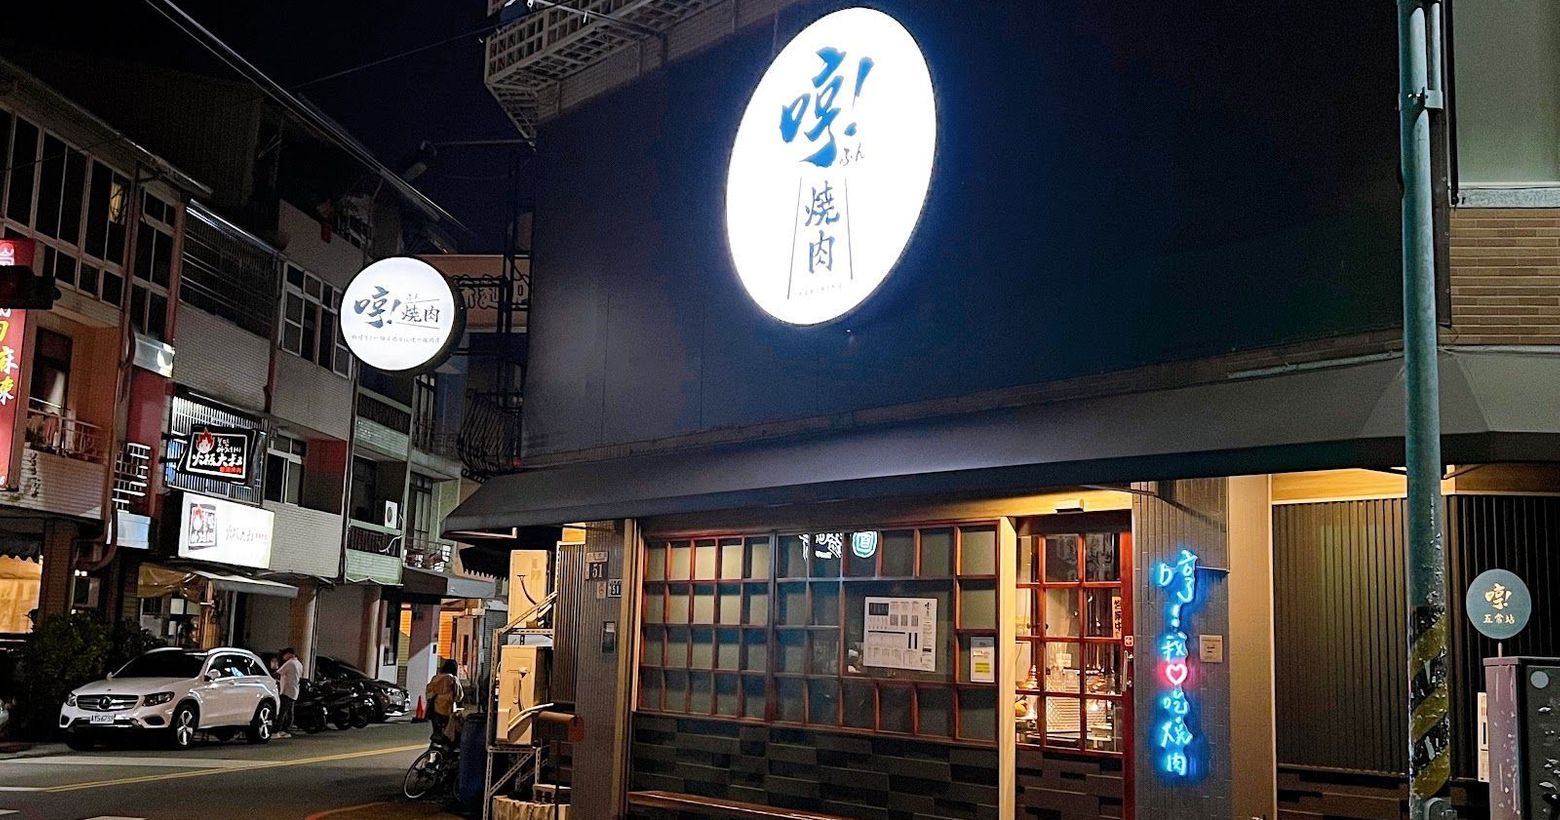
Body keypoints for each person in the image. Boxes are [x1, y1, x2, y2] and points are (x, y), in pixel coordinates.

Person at [425, 659, 462, 743]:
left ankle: (434, 746)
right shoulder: (453, 679)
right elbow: (459, 696)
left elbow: (428, 693)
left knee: (437, 731)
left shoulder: (436, 678)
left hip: (435, 708)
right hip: (448, 709)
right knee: (447, 732)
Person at [276, 647, 303, 739]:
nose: (283, 657)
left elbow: (278, 673)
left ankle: (277, 730)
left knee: (282, 712)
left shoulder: (290, 663)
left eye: (284, 655)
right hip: (294, 690)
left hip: (287, 690)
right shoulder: (298, 663)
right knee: (289, 712)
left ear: (289, 654)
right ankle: (286, 730)